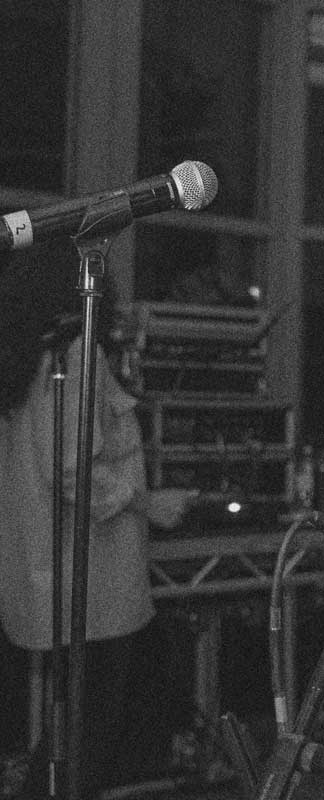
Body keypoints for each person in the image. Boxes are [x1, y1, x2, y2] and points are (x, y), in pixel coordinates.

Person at [0, 243, 194, 798]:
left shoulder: (22, 357)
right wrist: (147, 501)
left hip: (48, 571)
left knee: (70, 737)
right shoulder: (78, 353)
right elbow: (71, 470)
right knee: (86, 743)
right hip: (91, 580)